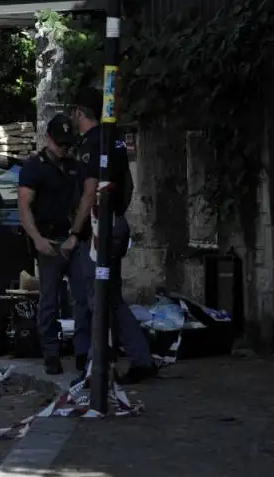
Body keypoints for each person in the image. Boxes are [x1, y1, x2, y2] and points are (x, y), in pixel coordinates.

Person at [70, 87, 158, 384]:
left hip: (97, 229)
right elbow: (129, 186)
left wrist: (75, 231)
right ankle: (139, 358)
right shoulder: (115, 140)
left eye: (74, 112)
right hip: (114, 223)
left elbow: (89, 192)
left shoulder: (92, 144)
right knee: (112, 298)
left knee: (99, 301)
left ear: (80, 112)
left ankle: (97, 370)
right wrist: (117, 213)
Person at [17, 114, 91, 375]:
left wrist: (76, 233)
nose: (64, 147)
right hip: (48, 241)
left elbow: (85, 197)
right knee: (50, 300)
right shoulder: (34, 167)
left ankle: (83, 352)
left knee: (83, 298)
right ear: (48, 138)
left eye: (67, 143)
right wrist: (37, 239)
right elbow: (24, 206)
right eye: (60, 142)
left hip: (73, 238)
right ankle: (51, 352)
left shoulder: (74, 165)